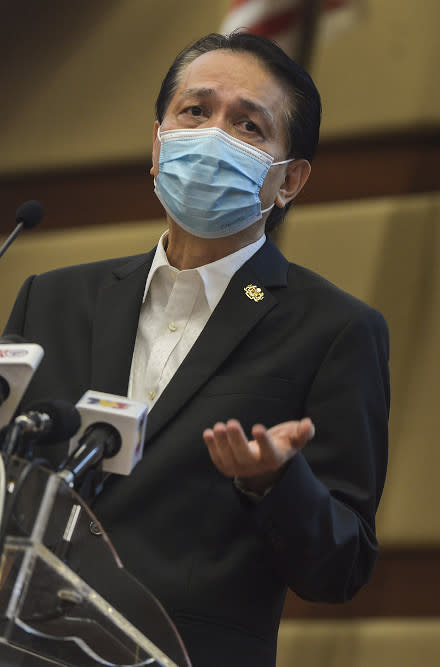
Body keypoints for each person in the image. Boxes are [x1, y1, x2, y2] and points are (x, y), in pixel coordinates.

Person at [3, 32, 389, 667]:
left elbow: (340, 567)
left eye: (248, 125)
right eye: (195, 111)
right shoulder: (51, 299)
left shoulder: (334, 330)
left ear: (288, 180)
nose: (212, 136)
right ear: (158, 145)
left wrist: (275, 484)